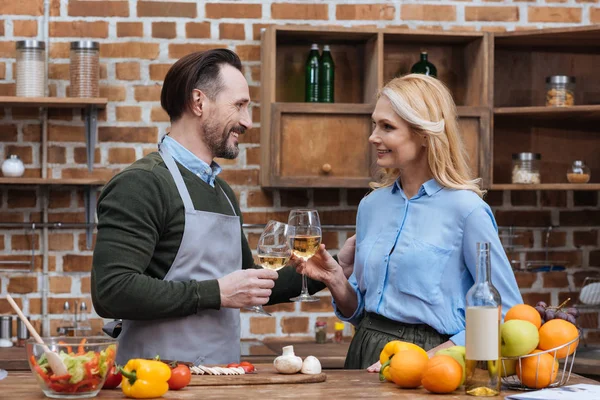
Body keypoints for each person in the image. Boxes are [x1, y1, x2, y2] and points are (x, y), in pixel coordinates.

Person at [91, 49, 354, 365]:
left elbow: (248, 282)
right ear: (199, 102)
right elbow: (112, 292)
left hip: (223, 378)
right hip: (156, 382)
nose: (248, 121)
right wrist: (217, 293)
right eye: (239, 106)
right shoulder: (141, 184)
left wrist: (329, 268)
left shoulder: (223, 192)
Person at [294, 74, 523, 370]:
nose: (373, 136)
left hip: (431, 361)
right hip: (364, 352)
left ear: (424, 134)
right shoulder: (371, 206)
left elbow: (506, 313)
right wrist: (335, 279)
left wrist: (430, 357)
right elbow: (361, 311)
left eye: (387, 127)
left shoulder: (467, 210)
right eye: (375, 124)